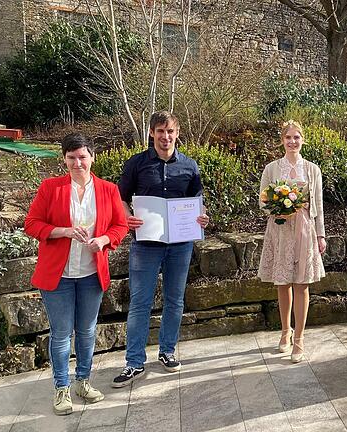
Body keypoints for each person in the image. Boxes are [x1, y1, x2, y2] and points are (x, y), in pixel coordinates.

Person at [24, 133, 128, 415]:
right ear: (64, 159)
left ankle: (83, 381)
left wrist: (104, 240)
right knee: (60, 334)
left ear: (92, 157)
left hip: (91, 274)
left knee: (86, 331)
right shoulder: (51, 188)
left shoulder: (108, 190)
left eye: (82, 157)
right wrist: (63, 231)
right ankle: (62, 389)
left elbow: (120, 226)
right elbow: (32, 224)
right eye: (71, 158)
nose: (77, 163)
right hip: (57, 277)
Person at [112, 111, 210, 387]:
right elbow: (120, 197)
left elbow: (196, 201)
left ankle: (167, 351)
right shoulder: (137, 164)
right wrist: (126, 215)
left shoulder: (189, 166)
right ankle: (134, 362)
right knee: (140, 303)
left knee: (175, 300)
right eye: (160, 131)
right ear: (152, 133)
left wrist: (202, 216)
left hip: (180, 244)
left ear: (177, 134)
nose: (165, 137)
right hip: (146, 244)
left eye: (170, 132)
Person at [258, 120, 326, 363]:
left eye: (297, 137)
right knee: (282, 283)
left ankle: (299, 339)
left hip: (305, 230)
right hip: (280, 230)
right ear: (282, 140)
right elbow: (263, 201)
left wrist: (321, 234)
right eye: (288, 137)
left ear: (302, 139)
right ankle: (284, 333)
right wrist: (276, 209)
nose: (292, 141)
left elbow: (318, 205)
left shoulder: (312, 169)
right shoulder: (272, 169)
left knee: (302, 283)